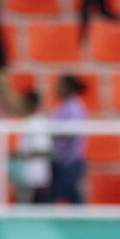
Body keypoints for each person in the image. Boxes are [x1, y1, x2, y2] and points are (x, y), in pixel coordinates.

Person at [48, 74, 89, 205]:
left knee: (49, 197)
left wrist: (52, 132)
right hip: (59, 160)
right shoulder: (62, 107)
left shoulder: (74, 107)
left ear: (68, 88)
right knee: (74, 200)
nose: (56, 88)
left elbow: (70, 132)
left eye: (59, 85)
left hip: (70, 162)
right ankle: (82, 222)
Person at [12, 89, 52, 204]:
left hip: (33, 177)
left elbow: (43, 150)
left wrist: (20, 156)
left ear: (30, 104)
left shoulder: (36, 123)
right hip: (28, 175)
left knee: (28, 211)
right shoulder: (30, 122)